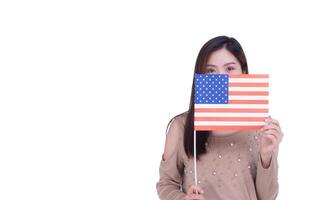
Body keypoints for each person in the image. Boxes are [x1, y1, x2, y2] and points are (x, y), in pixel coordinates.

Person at [156, 36, 284, 200]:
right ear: (201, 75)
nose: (220, 78)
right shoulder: (180, 126)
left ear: (243, 72)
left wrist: (267, 155)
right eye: (211, 71)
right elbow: (166, 184)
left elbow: (267, 197)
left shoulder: (261, 125)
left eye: (229, 68)